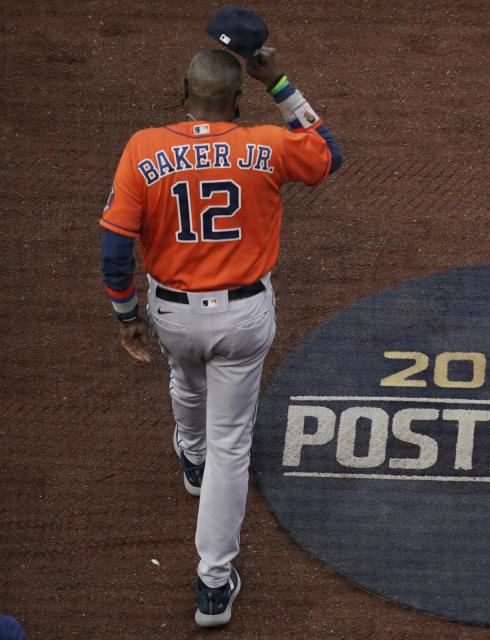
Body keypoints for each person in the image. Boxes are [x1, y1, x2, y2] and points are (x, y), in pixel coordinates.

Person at [99, 46, 342, 627]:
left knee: (184, 374)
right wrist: (279, 82)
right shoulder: (267, 143)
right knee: (234, 442)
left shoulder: (143, 148)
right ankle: (213, 582)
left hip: (174, 315)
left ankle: (192, 457)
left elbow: (114, 245)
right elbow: (329, 153)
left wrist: (125, 313)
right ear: (238, 98)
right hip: (243, 317)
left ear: (183, 91)